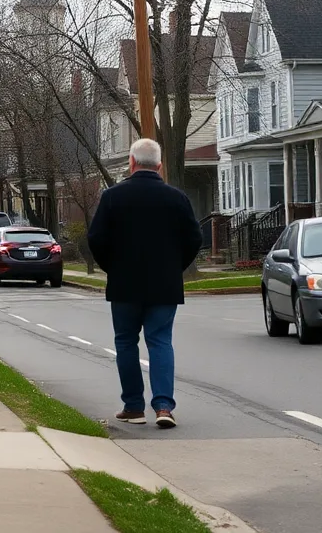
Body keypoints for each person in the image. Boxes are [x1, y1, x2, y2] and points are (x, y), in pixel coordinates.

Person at [87, 137, 202, 429]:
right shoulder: (177, 199)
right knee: (160, 341)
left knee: (126, 343)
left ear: (131, 162)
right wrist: (175, 267)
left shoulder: (112, 197)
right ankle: (164, 406)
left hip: (125, 284)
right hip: (164, 284)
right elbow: (194, 240)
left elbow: (96, 239)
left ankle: (134, 406)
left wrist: (112, 267)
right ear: (160, 166)